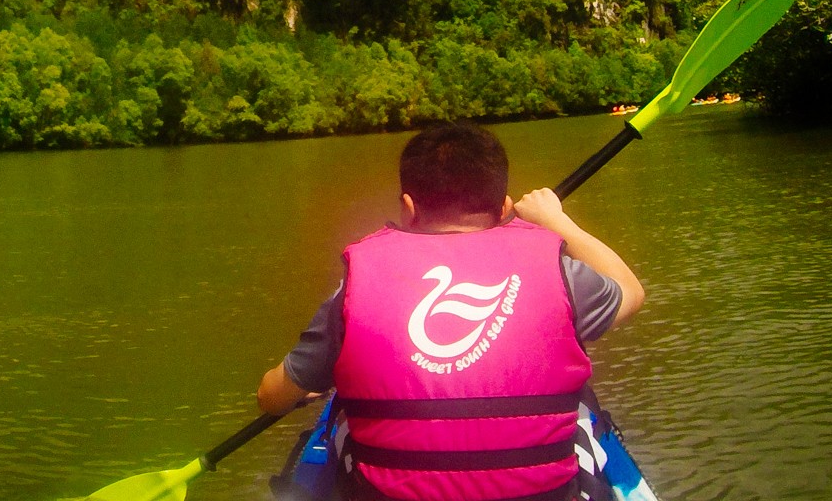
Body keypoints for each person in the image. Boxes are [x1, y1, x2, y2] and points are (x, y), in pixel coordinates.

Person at [257, 122, 645, 500]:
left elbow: (271, 398)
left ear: (408, 207)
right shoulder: (561, 274)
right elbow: (630, 291)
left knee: (341, 423)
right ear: (505, 207)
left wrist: (307, 381)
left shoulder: (354, 288)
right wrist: (557, 222)